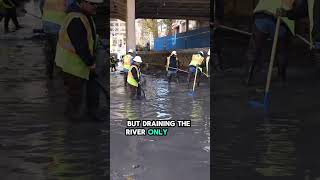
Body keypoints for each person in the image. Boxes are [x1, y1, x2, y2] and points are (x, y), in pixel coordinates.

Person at [55, 0, 103, 121]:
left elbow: (88, 37)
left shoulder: (84, 15)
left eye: (97, 4)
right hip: (72, 65)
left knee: (80, 93)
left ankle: (84, 116)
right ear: (82, 2)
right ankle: (72, 129)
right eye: (92, 4)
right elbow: (80, 45)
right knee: (75, 96)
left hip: (78, 64)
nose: (95, 6)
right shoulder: (76, 18)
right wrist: (90, 62)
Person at [245, 0, 298, 86]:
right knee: (282, 50)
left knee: (254, 49)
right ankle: (281, 78)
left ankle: (248, 77)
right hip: (282, 20)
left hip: (262, 16)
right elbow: (299, 10)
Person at [42, 0, 72, 79]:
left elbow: (41, 6)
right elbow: (73, 8)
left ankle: (49, 74)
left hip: (46, 25)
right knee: (60, 51)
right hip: (57, 25)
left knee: (50, 51)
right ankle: (63, 77)